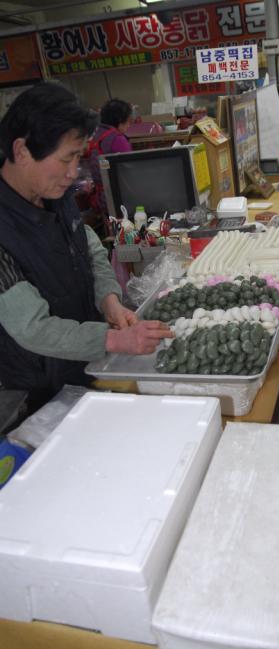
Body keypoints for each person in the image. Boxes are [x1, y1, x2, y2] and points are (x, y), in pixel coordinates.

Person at [0, 82, 172, 410]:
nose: (73, 172)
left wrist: (109, 300)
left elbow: (89, 247)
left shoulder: (54, 192)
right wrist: (113, 339)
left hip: (89, 362)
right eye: (66, 159)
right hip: (38, 388)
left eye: (78, 157)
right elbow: (32, 328)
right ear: (21, 151)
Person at [87, 98, 134, 215]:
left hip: (102, 198)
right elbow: (130, 170)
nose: (129, 125)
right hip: (118, 198)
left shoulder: (97, 135)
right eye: (128, 120)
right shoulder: (118, 139)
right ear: (120, 120)